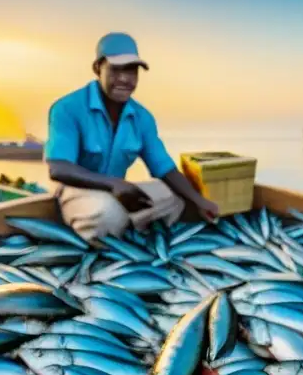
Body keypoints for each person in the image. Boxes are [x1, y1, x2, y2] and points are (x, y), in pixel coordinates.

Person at [45, 32, 219, 242]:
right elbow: (59, 168)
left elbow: (164, 168)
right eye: (116, 69)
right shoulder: (67, 108)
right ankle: (105, 239)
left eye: (132, 70)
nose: (125, 79)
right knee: (107, 213)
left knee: (176, 197)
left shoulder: (142, 117)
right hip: (77, 192)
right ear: (97, 68)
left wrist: (200, 201)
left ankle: (121, 230)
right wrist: (113, 184)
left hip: (118, 192)